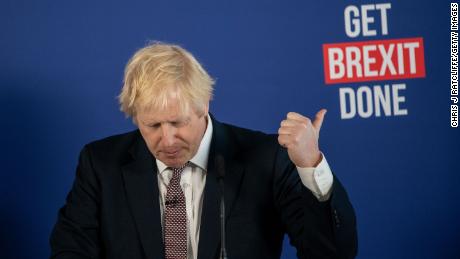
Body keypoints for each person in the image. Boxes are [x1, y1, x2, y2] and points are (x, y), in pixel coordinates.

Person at [50, 42, 357, 259]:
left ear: (204, 103)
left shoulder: (264, 158)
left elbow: (332, 254)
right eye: (152, 126)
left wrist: (310, 165)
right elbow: (71, 250)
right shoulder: (101, 164)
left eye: (177, 122)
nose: (167, 140)